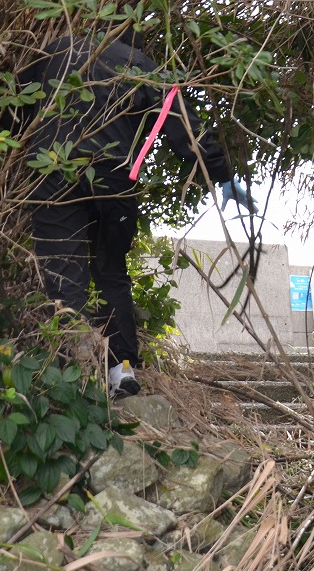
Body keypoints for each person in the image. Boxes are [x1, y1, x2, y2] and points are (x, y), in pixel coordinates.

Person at [16, 30, 254, 397]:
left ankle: (70, 373)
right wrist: (221, 175)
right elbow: (182, 127)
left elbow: (15, 106)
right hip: (115, 176)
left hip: (53, 170)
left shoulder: (52, 52)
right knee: (111, 271)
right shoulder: (140, 64)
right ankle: (121, 370)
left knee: (63, 269)